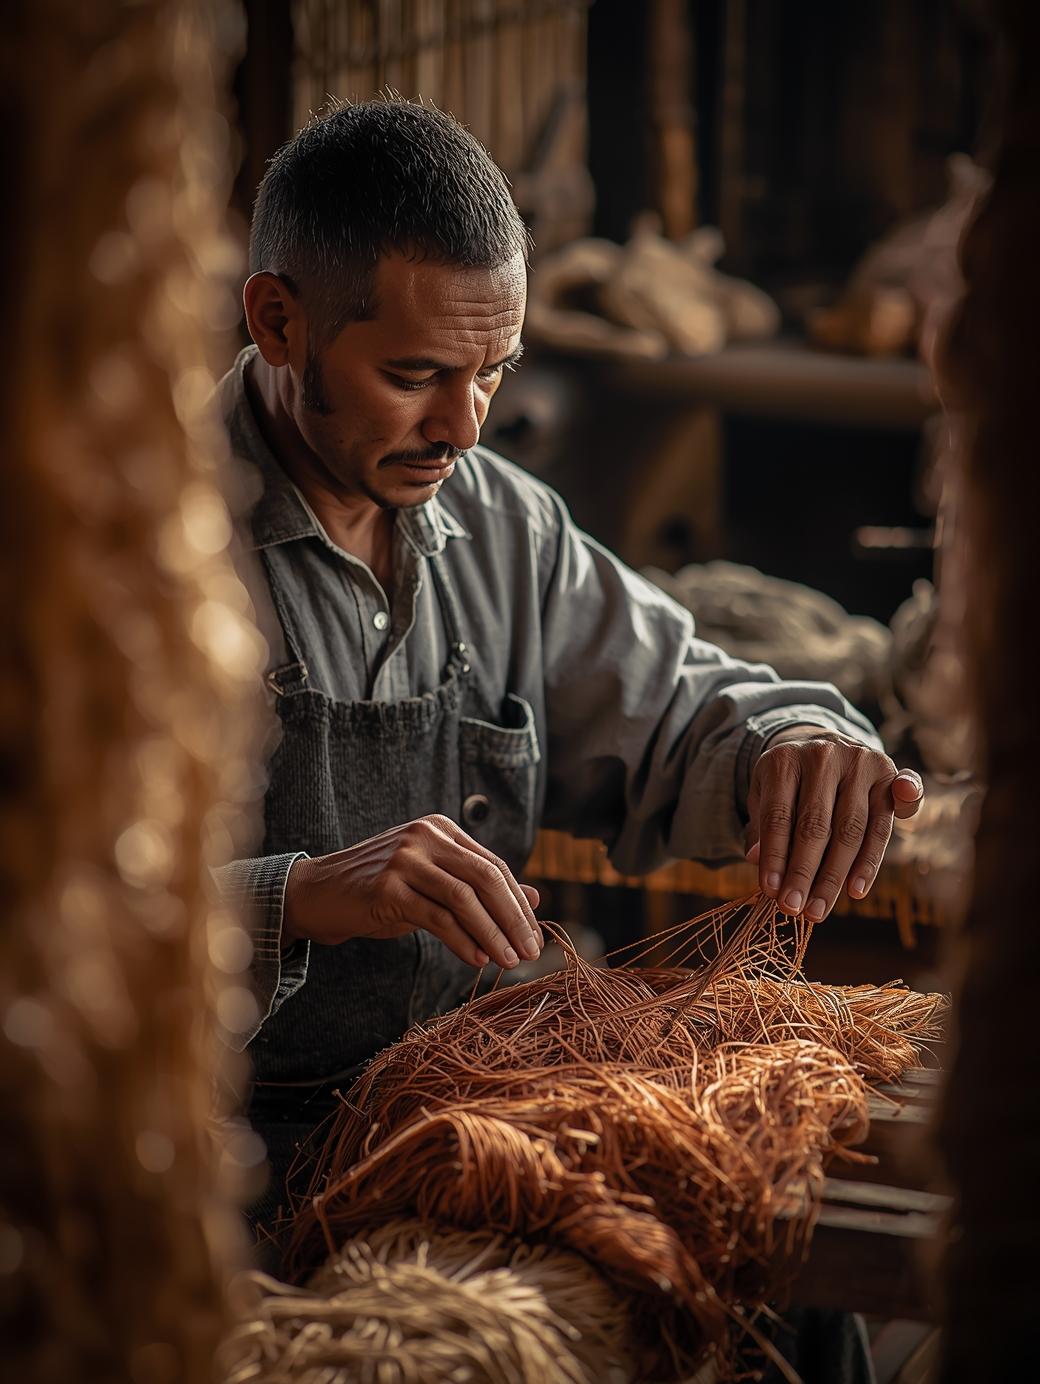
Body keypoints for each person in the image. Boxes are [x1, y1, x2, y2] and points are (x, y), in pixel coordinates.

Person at [214, 98, 924, 1232]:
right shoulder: (125, 559)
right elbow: (48, 929)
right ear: (278, 321)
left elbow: (686, 701)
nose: (466, 425)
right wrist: (298, 897)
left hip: (476, 1105)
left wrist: (789, 738)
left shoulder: (504, 525)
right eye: (416, 373)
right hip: (224, 1152)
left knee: (777, 1231)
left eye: (494, 370)